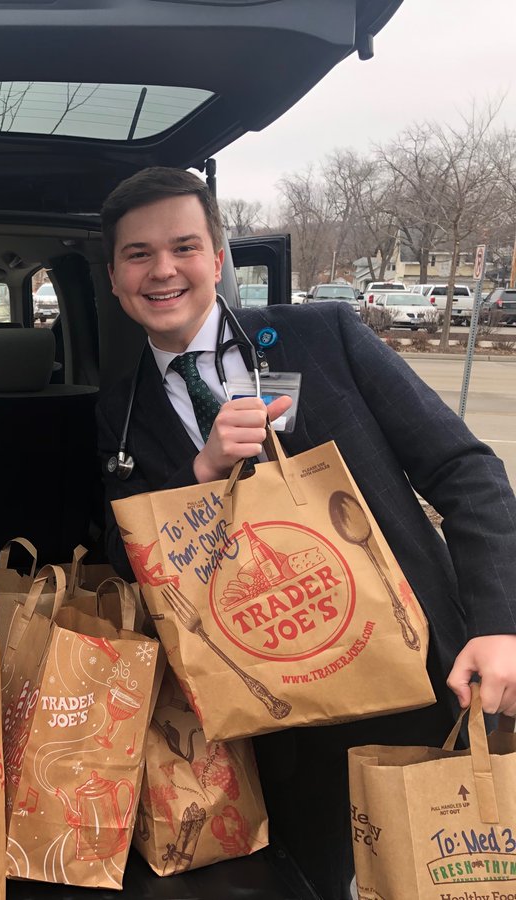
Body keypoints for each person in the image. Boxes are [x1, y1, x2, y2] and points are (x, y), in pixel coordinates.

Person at [96, 166, 516, 898]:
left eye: (184, 247)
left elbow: (466, 471)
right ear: (113, 277)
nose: (162, 270)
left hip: (419, 682)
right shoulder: (118, 410)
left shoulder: (322, 337)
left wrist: (499, 624)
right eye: (138, 255)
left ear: (218, 260)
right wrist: (199, 479)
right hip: (274, 739)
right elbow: (124, 571)